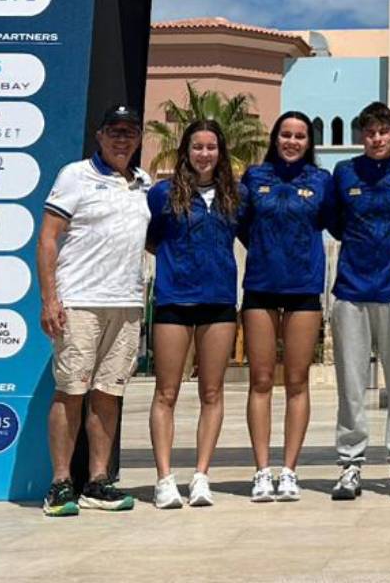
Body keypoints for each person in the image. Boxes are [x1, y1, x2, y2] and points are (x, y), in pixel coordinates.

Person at [38, 104, 152, 517]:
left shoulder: (143, 182)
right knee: (71, 391)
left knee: (108, 394)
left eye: (130, 132)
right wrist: (50, 298)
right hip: (80, 302)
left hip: (126, 304)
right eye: (115, 132)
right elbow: (48, 239)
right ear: (100, 136)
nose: (122, 139)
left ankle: (98, 481)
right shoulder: (75, 175)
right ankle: (60, 483)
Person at [326, 101, 390, 501]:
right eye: (369, 133)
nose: (376, 138)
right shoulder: (344, 173)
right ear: (361, 136)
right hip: (351, 290)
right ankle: (350, 465)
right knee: (351, 384)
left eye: (383, 131)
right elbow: (335, 221)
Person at [144, 120, 243, 509]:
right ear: (186, 150)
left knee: (212, 391)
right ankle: (164, 479)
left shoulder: (236, 195)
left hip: (218, 302)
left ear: (221, 152)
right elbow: (150, 240)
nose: (204, 154)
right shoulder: (162, 195)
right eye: (197, 147)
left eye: (212, 147)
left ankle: (201, 476)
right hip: (174, 301)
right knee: (166, 391)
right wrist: (179, 263)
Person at [238, 111, 333, 502]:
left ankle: (289, 470)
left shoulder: (321, 182)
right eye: (286, 135)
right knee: (261, 381)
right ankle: (262, 471)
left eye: (300, 136)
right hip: (261, 287)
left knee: (297, 382)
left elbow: (332, 223)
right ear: (275, 139)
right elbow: (243, 226)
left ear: (309, 143)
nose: (292, 142)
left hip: (303, 290)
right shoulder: (254, 177)